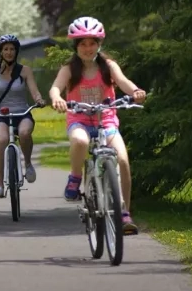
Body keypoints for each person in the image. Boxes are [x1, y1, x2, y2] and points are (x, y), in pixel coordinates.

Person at [48, 17, 146, 233]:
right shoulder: (69, 68)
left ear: (99, 43)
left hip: (107, 120)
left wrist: (135, 91)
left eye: (92, 43)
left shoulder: (108, 66)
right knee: (81, 141)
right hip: (80, 120)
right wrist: (57, 98)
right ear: (76, 46)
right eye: (82, 43)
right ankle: (75, 178)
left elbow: (123, 82)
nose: (87, 48)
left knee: (122, 159)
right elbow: (55, 87)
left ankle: (124, 213)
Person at [0, 34, 47, 198]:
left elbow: (34, 90)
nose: (9, 52)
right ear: (0, 52)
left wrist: (39, 100)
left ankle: (27, 163)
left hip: (22, 112)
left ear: (16, 51)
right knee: (2, 140)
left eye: (12, 49)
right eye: (5, 49)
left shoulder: (25, 71)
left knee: (25, 133)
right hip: (1, 115)